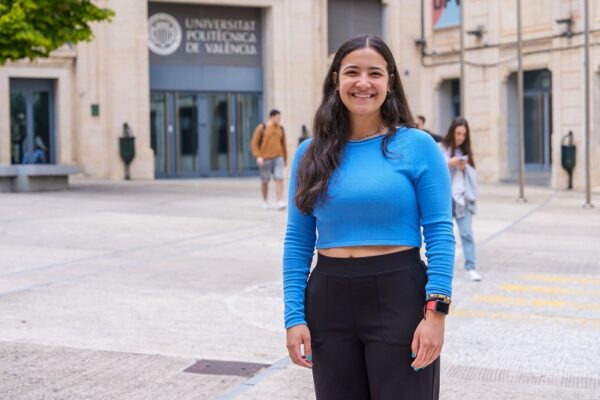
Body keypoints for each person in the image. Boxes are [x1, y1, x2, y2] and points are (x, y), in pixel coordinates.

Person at [283, 35, 455, 400]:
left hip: (399, 294)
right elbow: (298, 243)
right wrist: (294, 317)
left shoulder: (418, 146)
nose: (363, 83)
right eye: (352, 72)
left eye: (375, 73)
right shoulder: (309, 154)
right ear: (336, 80)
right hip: (329, 298)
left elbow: (440, 232)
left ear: (390, 81)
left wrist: (435, 315)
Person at [440, 117, 482, 282]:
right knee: (444, 235)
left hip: (463, 199)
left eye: (463, 135)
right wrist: (449, 163)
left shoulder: (467, 152)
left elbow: (473, 177)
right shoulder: (441, 149)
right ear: (452, 132)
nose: (460, 137)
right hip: (446, 198)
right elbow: (433, 172)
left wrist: (465, 168)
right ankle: (443, 269)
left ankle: (471, 267)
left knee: (466, 234)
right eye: (458, 133)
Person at [251, 109, 288, 210]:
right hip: (265, 158)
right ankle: (265, 201)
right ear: (272, 117)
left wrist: (285, 158)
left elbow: (284, 144)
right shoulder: (262, 128)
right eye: (277, 117)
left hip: (278, 157)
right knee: (265, 181)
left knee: (279, 178)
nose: (279, 119)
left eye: (280, 118)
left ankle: (280, 201)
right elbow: (254, 144)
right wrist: (258, 156)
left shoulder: (281, 129)